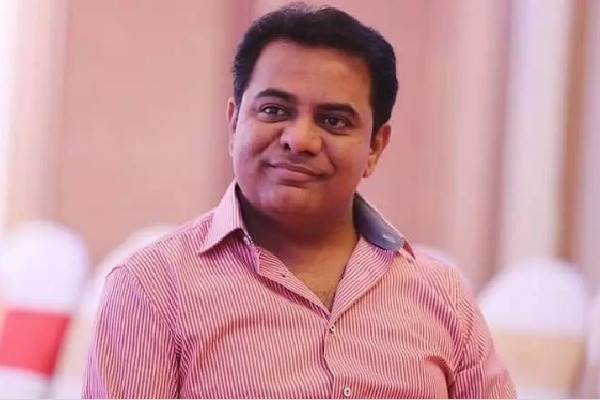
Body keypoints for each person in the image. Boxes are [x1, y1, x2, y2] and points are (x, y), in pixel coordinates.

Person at [82, 2, 516, 398]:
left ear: (375, 147)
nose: (300, 139)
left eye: (333, 120)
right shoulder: (152, 288)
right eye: (274, 111)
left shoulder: (442, 296)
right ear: (234, 124)